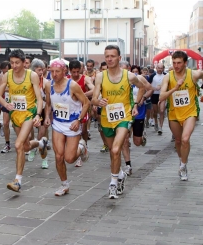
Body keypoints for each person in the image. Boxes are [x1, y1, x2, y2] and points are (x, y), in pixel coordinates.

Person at [91, 45, 145, 199]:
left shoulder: (129, 76)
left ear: (119, 58)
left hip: (124, 117)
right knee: (112, 152)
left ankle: (113, 183)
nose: (109, 59)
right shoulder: (101, 76)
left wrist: (135, 103)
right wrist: (98, 101)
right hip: (107, 119)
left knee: (116, 150)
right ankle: (120, 174)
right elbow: (94, 99)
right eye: (107, 56)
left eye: (113, 56)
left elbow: (142, 87)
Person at [0, 49, 47, 192]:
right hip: (15, 114)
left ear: (24, 62)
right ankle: (40, 143)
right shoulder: (7, 75)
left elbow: (39, 98)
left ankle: (17, 180)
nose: (14, 65)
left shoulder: (32, 75)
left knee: (18, 145)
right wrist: (5, 104)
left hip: (29, 113)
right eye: (12, 63)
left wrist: (38, 115)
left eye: (17, 63)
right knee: (24, 146)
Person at [44, 60, 90, 196]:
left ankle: (81, 147)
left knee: (69, 159)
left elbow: (86, 103)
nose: (54, 74)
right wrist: (47, 116)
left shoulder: (73, 86)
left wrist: (79, 120)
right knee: (58, 157)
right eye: (51, 71)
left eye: (57, 71)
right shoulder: (48, 85)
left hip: (72, 124)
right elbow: (48, 104)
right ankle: (64, 185)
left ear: (64, 71)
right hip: (58, 123)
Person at [159, 51, 203, 181]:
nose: (176, 65)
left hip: (190, 112)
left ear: (185, 63)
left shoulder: (193, 74)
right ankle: (181, 160)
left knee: (185, 139)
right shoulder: (168, 77)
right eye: (174, 63)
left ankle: (183, 166)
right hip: (174, 113)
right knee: (178, 141)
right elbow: (161, 96)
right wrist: (175, 88)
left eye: (179, 63)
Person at [68, 60, 95, 167]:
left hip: (83, 107)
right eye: (73, 72)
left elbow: (94, 89)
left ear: (81, 70)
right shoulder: (67, 79)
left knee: (83, 130)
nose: (75, 74)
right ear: (69, 71)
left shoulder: (85, 79)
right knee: (75, 132)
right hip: (71, 110)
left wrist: (82, 94)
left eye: (77, 72)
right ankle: (78, 154)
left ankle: (84, 146)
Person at [28, 58, 50, 169]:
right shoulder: (28, 81)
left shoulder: (46, 83)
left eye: (42, 70)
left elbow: (48, 103)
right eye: (39, 70)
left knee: (41, 136)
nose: (41, 72)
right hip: (30, 110)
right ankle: (33, 149)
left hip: (41, 111)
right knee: (30, 135)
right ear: (33, 70)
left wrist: (46, 116)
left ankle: (44, 159)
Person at [149, 63, 166, 134]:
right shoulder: (153, 76)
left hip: (162, 94)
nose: (160, 69)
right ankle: (155, 122)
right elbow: (148, 85)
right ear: (156, 68)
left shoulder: (166, 76)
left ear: (163, 69)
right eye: (158, 68)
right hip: (154, 95)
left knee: (161, 111)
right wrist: (154, 88)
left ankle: (160, 127)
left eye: (161, 68)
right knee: (155, 111)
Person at [0, 61, 12, 153]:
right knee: (5, 123)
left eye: (6, 71)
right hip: (6, 102)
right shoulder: (2, 76)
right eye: (3, 71)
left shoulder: (13, 75)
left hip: (16, 102)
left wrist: (5, 88)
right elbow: (1, 88)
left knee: (18, 125)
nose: (5, 73)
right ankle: (7, 143)